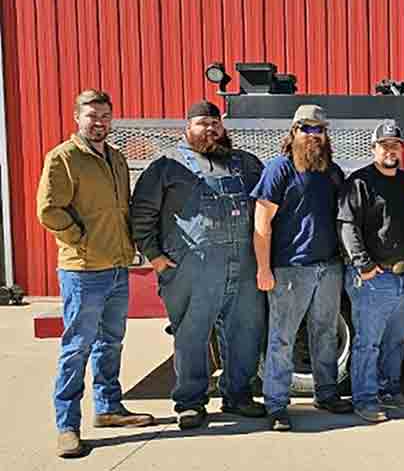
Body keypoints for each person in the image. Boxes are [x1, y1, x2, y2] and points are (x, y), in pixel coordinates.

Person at [131, 100, 266, 429]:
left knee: (246, 331)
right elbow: (142, 214)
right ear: (187, 128)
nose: (210, 130)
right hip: (191, 268)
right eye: (202, 124)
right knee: (192, 334)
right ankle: (190, 402)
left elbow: (268, 208)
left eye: (215, 124)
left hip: (245, 265)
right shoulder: (167, 166)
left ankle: (238, 395)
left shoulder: (246, 164)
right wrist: (157, 258)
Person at [37, 89, 153, 458]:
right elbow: (48, 210)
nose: (99, 122)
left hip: (118, 267)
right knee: (77, 347)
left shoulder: (116, 158)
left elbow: (124, 209)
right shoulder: (63, 158)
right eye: (92, 116)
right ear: (77, 118)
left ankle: (108, 409)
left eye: (105, 115)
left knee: (111, 341)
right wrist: (80, 240)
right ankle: (67, 426)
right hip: (84, 271)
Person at [252, 104, 352, 431]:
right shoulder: (279, 169)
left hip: (328, 268)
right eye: (306, 129)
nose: (313, 135)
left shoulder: (332, 172)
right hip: (290, 269)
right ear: (294, 131)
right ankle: (277, 404)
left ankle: (325, 393)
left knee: (324, 333)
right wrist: (263, 270)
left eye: (319, 129)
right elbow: (261, 223)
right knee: (282, 338)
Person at [339, 122, 404, 423]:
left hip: (403, 276)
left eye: (395, 144)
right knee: (368, 342)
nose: (390, 150)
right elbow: (348, 227)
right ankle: (365, 398)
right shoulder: (359, 182)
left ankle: (390, 390)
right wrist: (364, 265)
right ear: (373, 148)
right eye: (384, 145)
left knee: (396, 340)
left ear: (402, 149)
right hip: (373, 278)